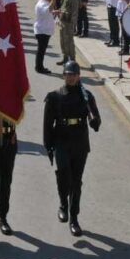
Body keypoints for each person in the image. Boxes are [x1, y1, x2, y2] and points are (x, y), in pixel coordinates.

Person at [43, 61, 101, 237]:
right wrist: (48, 146)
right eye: (68, 74)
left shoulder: (86, 96)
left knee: (76, 182)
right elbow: (47, 125)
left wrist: (95, 121)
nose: (71, 77)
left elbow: (96, 119)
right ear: (64, 75)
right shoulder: (54, 97)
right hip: (61, 140)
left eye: (74, 75)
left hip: (80, 142)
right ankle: (63, 203)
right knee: (63, 175)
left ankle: (74, 217)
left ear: (78, 76)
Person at [33, 0, 58, 74]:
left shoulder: (44, 2)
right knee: (41, 51)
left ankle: (39, 67)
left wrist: (54, 12)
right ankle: (39, 68)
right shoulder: (41, 4)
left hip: (44, 30)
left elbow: (48, 12)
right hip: (42, 31)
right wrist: (53, 0)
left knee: (41, 50)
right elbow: (48, 10)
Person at [58, 0, 80, 66]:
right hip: (63, 21)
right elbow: (63, 7)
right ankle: (65, 57)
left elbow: (75, 12)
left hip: (69, 23)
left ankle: (72, 59)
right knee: (63, 41)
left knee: (69, 41)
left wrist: (73, 25)